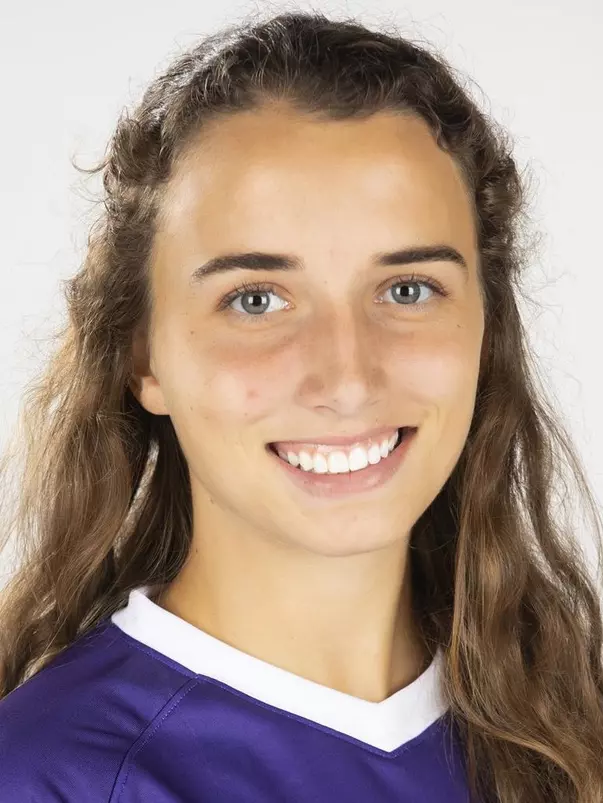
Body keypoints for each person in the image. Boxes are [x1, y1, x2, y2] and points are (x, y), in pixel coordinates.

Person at [0, 9, 602, 803]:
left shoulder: (568, 715)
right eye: (256, 299)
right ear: (143, 356)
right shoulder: (52, 777)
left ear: (486, 328)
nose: (346, 378)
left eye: (407, 288)